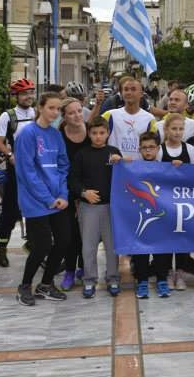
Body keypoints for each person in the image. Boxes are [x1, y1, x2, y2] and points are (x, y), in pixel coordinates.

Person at [15, 91, 70, 306]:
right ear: (40, 107)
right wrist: (48, 199)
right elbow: (27, 172)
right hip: (36, 200)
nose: (55, 113)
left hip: (57, 199)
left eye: (58, 109)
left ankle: (46, 285)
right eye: (51, 108)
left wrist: (63, 194)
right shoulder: (27, 134)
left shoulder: (56, 135)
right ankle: (25, 286)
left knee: (64, 241)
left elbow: (63, 166)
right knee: (42, 245)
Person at [69, 115, 122, 298]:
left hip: (110, 207)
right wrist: (84, 193)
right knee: (88, 246)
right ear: (89, 134)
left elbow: (125, 177)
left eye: (102, 133)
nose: (98, 136)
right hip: (88, 207)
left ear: (108, 133)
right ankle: (89, 280)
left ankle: (113, 278)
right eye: (94, 133)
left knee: (112, 245)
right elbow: (73, 180)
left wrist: (120, 162)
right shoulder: (82, 154)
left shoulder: (114, 153)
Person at [0, 78, 37, 267]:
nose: (28, 96)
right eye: (24, 93)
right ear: (16, 96)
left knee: (37, 208)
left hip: (35, 168)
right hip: (16, 168)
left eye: (31, 92)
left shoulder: (36, 113)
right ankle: (1, 247)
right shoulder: (8, 116)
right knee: (10, 211)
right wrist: (9, 154)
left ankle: (34, 243)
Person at [131, 132, 173, 298]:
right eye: (144, 148)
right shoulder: (133, 168)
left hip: (162, 216)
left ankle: (162, 280)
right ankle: (142, 281)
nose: (148, 151)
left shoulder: (166, 167)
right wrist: (121, 163)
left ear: (158, 149)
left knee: (162, 250)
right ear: (139, 149)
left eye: (151, 147)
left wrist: (178, 167)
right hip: (141, 216)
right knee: (141, 250)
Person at [160, 113, 194, 290]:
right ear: (166, 130)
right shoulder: (160, 150)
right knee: (167, 238)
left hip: (185, 203)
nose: (177, 132)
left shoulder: (189, 150)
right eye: (173, 129)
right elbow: (153, 174)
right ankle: (167, 271)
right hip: (165, 203)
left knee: (183, 238)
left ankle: (180, 272)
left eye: (180, 129)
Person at [58, 97, 89, 291]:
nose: (77, 115)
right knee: (69, 234)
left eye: (79, 111)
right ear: (64, 116)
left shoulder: (91, 131)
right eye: (71, 113)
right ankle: (69, 270)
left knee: (88, 234)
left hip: (89, 190)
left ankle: (85, 268)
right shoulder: (58, 135)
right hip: (66, 190)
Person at [101, 76, 157, 161]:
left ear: (141, 94)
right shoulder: (109, 115)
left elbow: (154, 147)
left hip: (138, 170)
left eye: (133, 89)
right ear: (122, 93)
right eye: (126, 89)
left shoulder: (150, 119)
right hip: (115, 168)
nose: (129, 92)